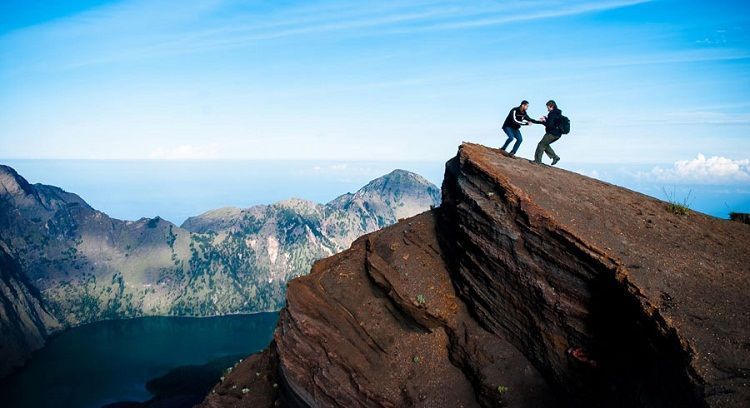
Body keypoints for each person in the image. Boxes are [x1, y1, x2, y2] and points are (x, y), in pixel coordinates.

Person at [535, 100, 563, 165]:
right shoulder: (558, 113)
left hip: (552, 133)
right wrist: (547, 119)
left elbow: (550, 125)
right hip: (558, 134)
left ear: (551, 106)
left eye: (547, 107)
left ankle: (537, 161)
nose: (547, 108)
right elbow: (554, 123)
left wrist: (543, 121)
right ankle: (555, 157)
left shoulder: (551, 113)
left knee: (541, 144)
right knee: (545, 144)